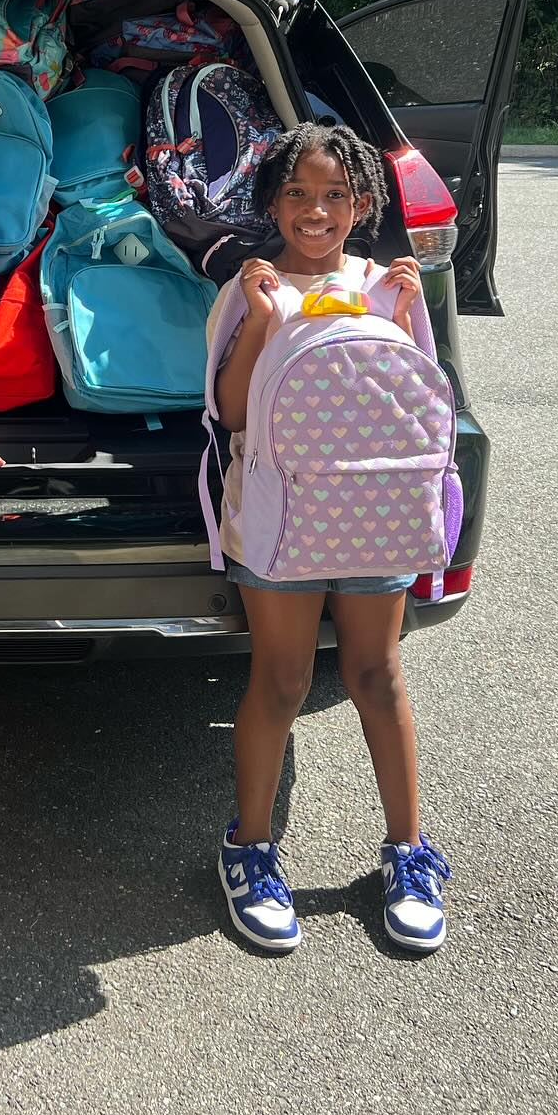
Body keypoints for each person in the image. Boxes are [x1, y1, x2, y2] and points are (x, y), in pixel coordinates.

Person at [211, 123, 451, 955]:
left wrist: (407, 310)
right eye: (298, 194)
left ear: (363, 203)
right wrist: (260, 318)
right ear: (271, 200)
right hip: (279, 512)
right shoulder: (253, 286)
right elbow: (231, 412)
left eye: (335, 196)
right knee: (280, 681)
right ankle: (249, 847)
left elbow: (419, 405)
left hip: (376, 511)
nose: (316, 211)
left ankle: (409, 851)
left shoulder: (385, 284)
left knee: (376, 675)